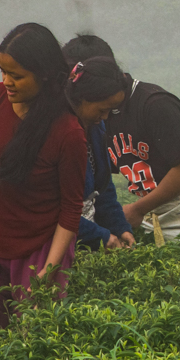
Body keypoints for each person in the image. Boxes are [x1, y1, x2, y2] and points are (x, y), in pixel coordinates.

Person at [0, 23, 86, 329]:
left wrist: (49, 270)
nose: (6, 81)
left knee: (32, 340)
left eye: (16, 75)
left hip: (42, 247)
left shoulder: (67, 131)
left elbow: (71, 209)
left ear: (44, 74)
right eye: (2, 71)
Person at [62, 34, 180, 243]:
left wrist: (137, 209)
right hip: (151, 212)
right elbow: (101, 181)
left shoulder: (155, 105)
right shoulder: (94, 115)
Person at [65, 56, 135, 251]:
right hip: (60, 241)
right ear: (83, 99)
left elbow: (102, 188)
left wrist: (120, 227)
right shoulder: (59, 135)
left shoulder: (96, 128)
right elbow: (52, 210)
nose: (104, 117)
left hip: (86, 234)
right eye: (102, 109)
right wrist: (101, 236)